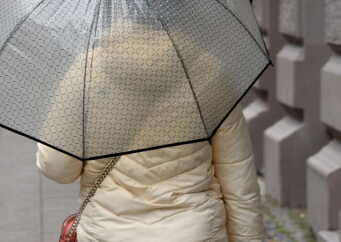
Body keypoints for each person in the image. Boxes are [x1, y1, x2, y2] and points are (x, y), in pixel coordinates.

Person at [36, 21, 265, 242]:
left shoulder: (85, 72)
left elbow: (58, 169)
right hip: (193, 229)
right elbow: (238, 181)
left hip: (108, 230)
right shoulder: (211, 73)